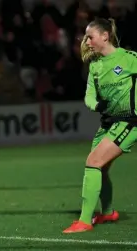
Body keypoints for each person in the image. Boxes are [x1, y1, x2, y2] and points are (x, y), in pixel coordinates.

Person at [63, 18, 137, 234]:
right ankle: (108, 212)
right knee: (101, 169)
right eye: (85, 37)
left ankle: (84, 221)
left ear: (105, 36)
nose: (86, 41)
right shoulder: (95, 66)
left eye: (90, 37)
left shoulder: (129, 58)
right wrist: (97, 104)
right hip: (107, 124)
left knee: (93, 161)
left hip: (129, 121)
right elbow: (89, 97)